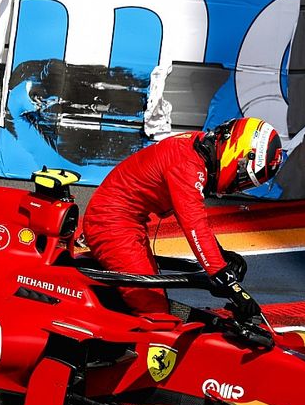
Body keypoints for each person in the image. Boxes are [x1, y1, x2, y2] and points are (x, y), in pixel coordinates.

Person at [81, 117, 284, 318]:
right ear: (236, 154)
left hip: (124, 220)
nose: (240, 186)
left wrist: (220, 257)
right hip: (111, 224)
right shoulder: (188, 166)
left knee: (155, 292)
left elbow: (193, 219)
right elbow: (194, 225)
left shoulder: (200, 149)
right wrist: (228, 281)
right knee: (153, 308)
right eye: (244, 179)